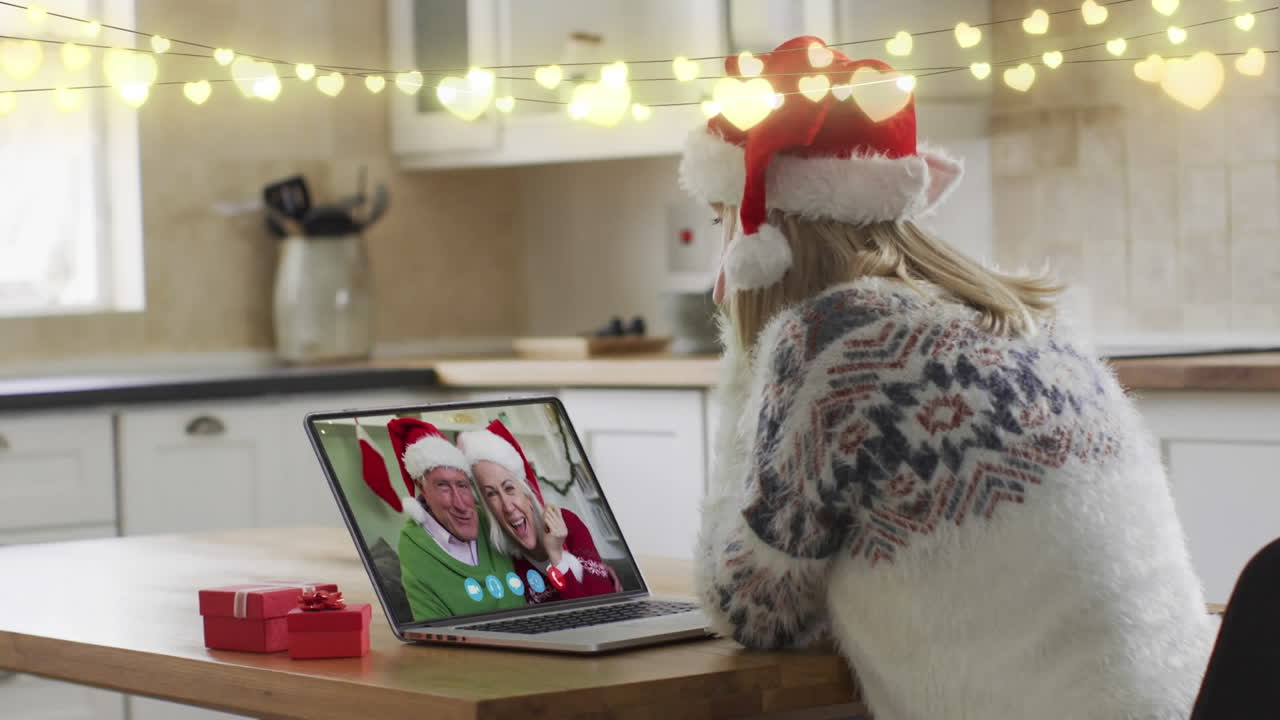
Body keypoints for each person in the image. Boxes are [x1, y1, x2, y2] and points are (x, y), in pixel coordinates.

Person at [683, 36, 1216, 720]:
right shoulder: (1029, 321)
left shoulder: (831, 345)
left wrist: (741, 365)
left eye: (719, 219)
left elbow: (752, 611)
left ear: (758, 239)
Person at [457, 419, 620, 602]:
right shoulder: (506, 560)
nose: (507, 506)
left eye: (509, 488)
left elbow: (598, 610)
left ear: (526, 491)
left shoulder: (567, 523)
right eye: (492, 494)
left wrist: (556, 556)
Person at [387, 418, 525, 621]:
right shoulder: (415, 547)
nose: (461, 504)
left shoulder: (490, 519)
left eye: (462, 485)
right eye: (443, 486)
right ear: (422, 489)